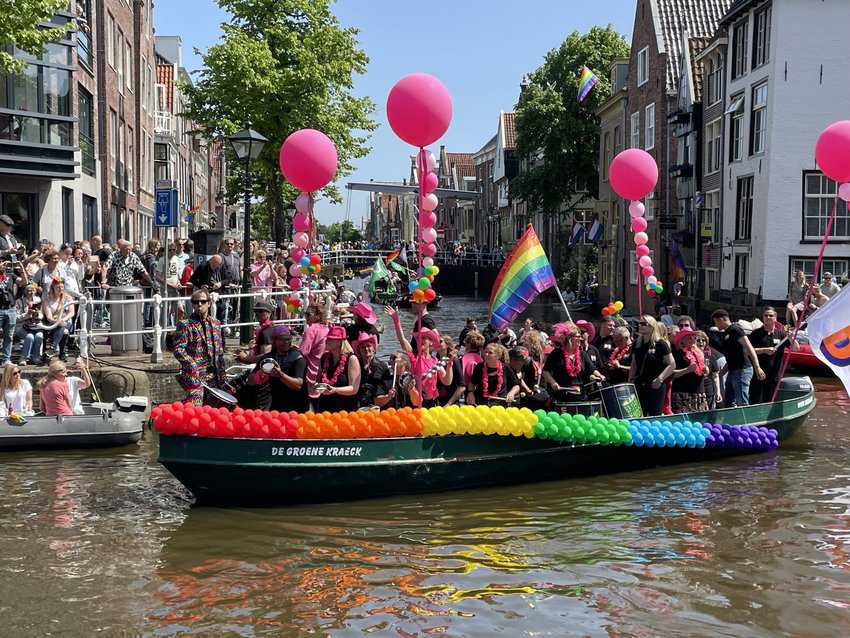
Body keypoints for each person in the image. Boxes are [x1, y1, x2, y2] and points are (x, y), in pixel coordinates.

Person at [385, 306, 451, 408]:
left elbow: (447, 381)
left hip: (432, 403)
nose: (420, 340)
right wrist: (396, 320)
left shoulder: (435, 360)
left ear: (430, 342)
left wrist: (450, 365)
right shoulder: (413, 357)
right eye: (417, 338)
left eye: (423, 338)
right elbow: (402, 339)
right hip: (416, 402)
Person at [173, 289, 226, 406]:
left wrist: (222, 374)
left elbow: (220, 351)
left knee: (215, 409)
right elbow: (178, 349)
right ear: (192, 304)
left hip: (214, 376)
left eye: (203, 301)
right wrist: (191, 364)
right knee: (196, 408)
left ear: (209, 303)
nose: (199, 304)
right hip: (195, 376)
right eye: (196, 302)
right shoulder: (185, 324)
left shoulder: (216, 323)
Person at [711, 309, 765, 407]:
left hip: (742, 370)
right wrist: (722, 372)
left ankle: (745, 420)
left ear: (722, 319)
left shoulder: (735, 330)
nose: (715, 325)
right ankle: (732, 420)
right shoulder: (726, 333)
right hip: (732, 370)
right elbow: (731, 356)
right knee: (729, 400)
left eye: (715, 322)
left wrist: (757, 367)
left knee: (741, 401)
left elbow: (749, 348)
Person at [542, 322, 604, 401]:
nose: (580, 339)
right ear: (569, 339)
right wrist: (553, 382)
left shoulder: (583, 354)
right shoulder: (556, 354)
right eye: (578, 337)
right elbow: (546, 371)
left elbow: (592, 369)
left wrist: (599, 375)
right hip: (562, 395)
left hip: (581, 395)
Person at [629, 315, 676, 417]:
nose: (640, 326)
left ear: (652, 326)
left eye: (644, 324)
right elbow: (634, 364)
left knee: (654, 414)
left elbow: (672, 364)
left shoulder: (661, 344)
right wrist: (630, 380)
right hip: (639, 383)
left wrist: (660, 379)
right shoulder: (637, 343)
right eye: (639, 324)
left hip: (655, 384)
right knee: (638, 414)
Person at [749, 306, 796, 404]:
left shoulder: (781, 334)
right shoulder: (756, 333)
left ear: (775, 317)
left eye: (771, 315)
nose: (768, 317)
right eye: (765, 315)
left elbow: (796, 348)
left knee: (770, 400)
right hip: (758, 373)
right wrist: (764, 350)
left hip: (774, 374)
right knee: (755, 399)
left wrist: (790, 336)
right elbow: (748, 351)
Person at [314, 325, 361, 412]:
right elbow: (319, 380)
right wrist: (317, 386)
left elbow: (354, 388)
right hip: (325, 409)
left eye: (330, 339)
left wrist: (335, 390)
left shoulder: (351, 359)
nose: (326, 341)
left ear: (340, 342)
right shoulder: (324, 358)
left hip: (345, 410)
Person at [267, 325, 308, 413]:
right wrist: (260, 375)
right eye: (282, 339)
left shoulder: (297, 357)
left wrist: (280, 375)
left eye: (288, 339)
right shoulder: (270, 357)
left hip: (296, 408)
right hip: (277, 406)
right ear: (274, 341)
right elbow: (253, 379)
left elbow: (298, 385)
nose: (286, 342)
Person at [670, 328, 709, 413]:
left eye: (693, 337)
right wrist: (687, 370)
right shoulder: (677, 354)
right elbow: (671, 374)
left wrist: (706, 370)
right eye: (689, 337)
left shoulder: (699, 353)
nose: (692, 339)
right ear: (682, 340)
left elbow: (704, 372)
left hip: (698, 393)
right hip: (683, 393)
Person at [352, 331, 393, 409]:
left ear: (374, 348)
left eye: (368, 346)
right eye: (363, 347)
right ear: (359, 351)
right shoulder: (355, 365)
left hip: (377, 405)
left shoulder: (382, 366)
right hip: (358, 405)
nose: (366, 349)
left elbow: (386, 389)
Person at [300, 303, 330, 406]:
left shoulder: (311, 330)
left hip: (310, 370)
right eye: (305, 314)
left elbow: (303, 352)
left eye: (308, 314)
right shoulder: (327, 329)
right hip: (323, 370)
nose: (306, 317)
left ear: (318, 316)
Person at [41, 277, 75, 361]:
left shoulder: (68, 298)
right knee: (64, 331)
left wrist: (63, 320)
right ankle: (62, 353)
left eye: (62, 287)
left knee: (64, 327)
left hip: (66, 322)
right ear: (53, 288)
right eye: (58, 287)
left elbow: (71, 313)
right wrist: (57, 322)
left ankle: (53, 347)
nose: (60, 289)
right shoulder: (47, 300)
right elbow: (49, 317)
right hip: (53, 323)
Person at [236, 300, 274, 364]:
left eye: (261, 311)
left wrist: (246, 358)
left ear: (269, 314)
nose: (257, 314)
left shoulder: (267, 331)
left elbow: (266, 356)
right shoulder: (265, 328)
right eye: (256, 311)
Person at [696, 330, 723, 409]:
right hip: (696, 391)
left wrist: (718, 392)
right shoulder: (690, 356)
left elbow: (715, 376)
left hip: (709, 389)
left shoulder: (710, 356)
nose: (701, 342)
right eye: (698, 340)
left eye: (703, 340)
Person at [436, 335, 464, 406]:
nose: (437, 343)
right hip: (438, 402)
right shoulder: (434, 361)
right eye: (435, 341)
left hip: (452, 403)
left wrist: (449, 403)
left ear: (447, 345)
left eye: (440, 341)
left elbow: (462, 386)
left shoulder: (454, 361)